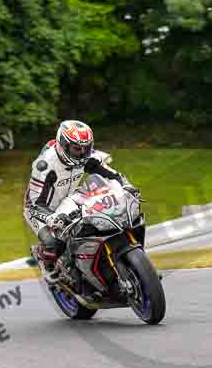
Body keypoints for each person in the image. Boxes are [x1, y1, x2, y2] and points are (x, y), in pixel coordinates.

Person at [23, 120, 137, 287]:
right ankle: (48, 266)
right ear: (63, 145)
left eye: (86, 148)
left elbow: (113, 175)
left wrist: (127, 186)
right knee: (54, 242)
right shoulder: (45, 166)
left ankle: (124, 267)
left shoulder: (86, 157)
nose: (83, 153)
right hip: (40, 208)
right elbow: (34, 204)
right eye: (77, 149)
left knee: (98, 222)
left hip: (69, 199)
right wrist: (53, 219)